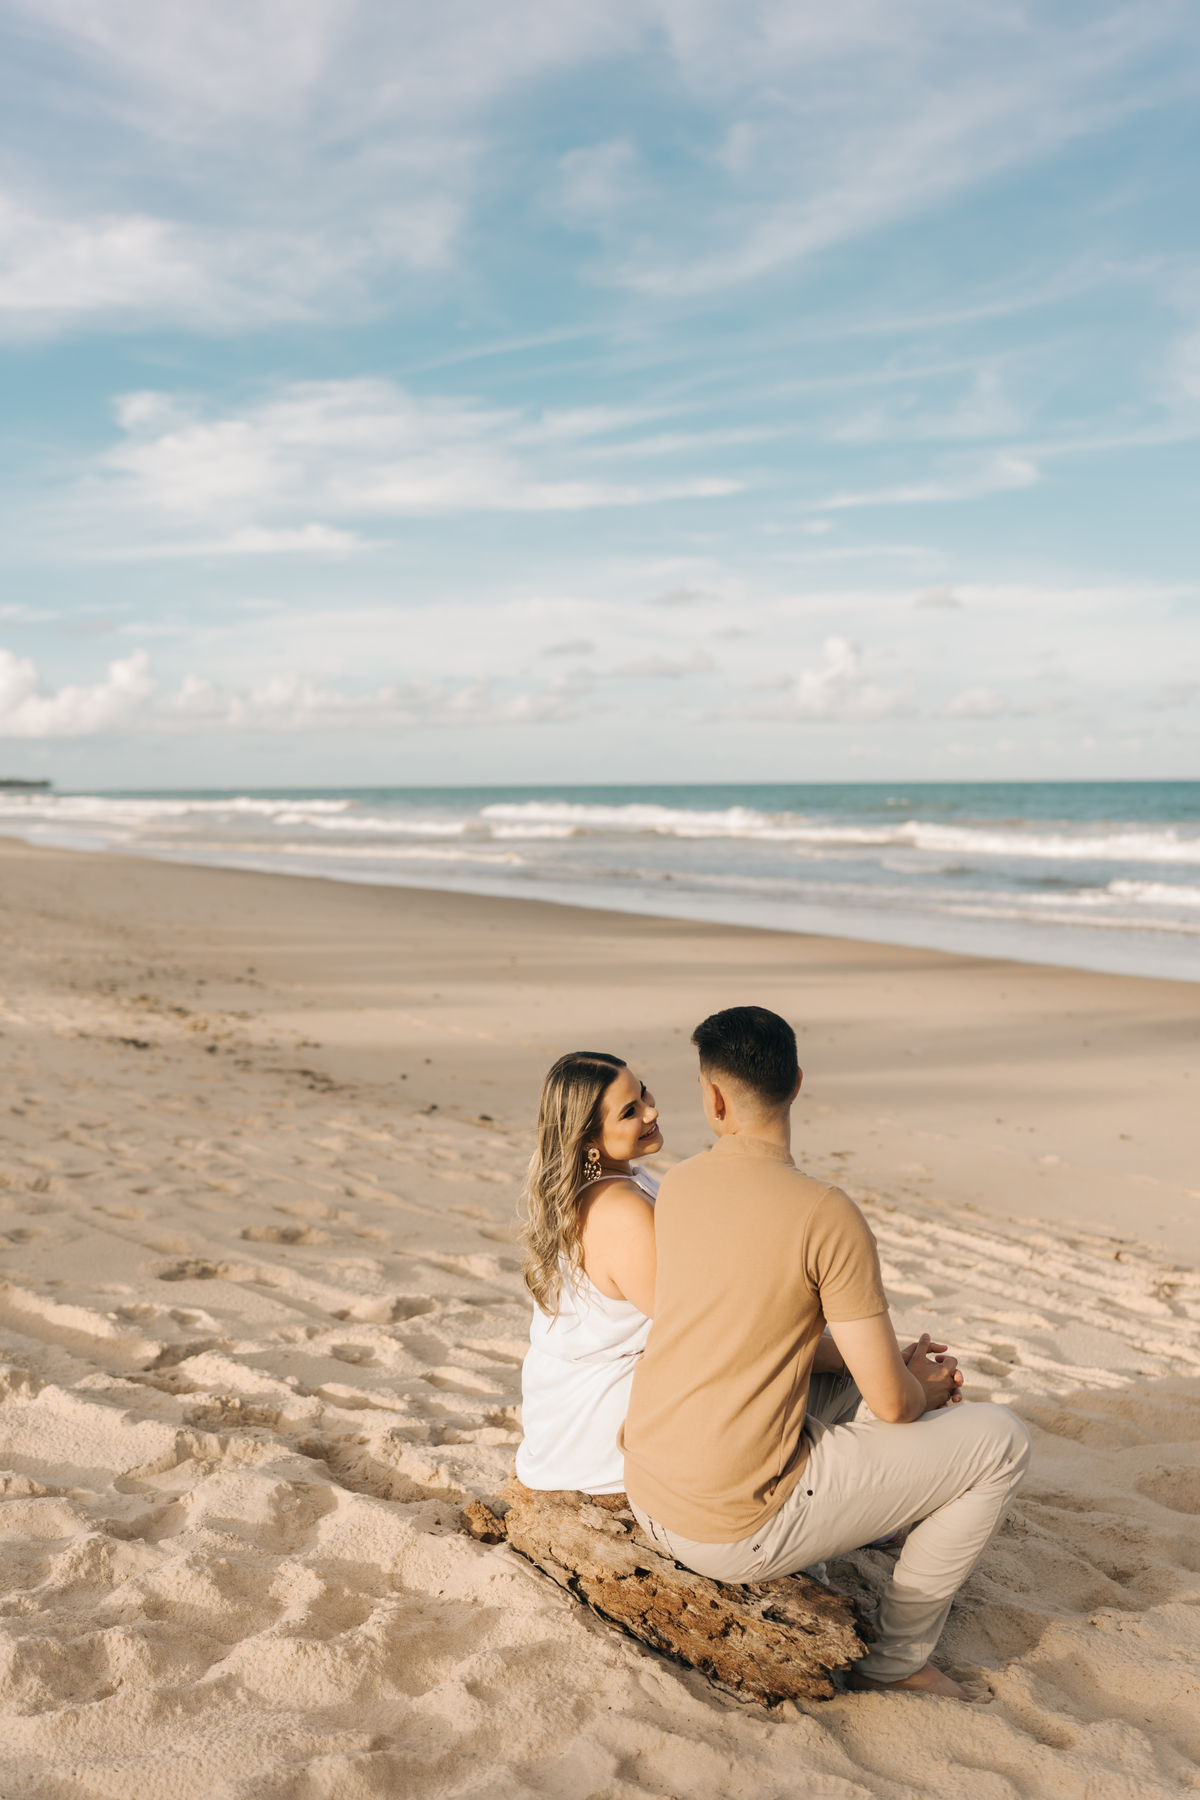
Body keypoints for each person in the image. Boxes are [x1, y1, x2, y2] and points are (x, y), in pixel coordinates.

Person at [620, 1006, 1031, 1702]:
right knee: (1001, 1440)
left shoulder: (682, 1184)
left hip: (650, 1489)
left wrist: (884, 1366)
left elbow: (745, 1330)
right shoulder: (824, 1211)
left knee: (869, 1380)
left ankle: (879, 1512)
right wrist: (914, 1386)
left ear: (713, 1097)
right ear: (798, 1084)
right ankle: (899, 1661)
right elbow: (897, 1407)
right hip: (731, 1529)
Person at [515, 1050, 662, 1495]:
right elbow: (689, 1322)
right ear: (590, 1141)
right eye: (630, 1111)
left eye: (643, 1094)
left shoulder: (623, 1182)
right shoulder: (619, 1210)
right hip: (595, 1432)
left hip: (563, 1412)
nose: (651, 1111)